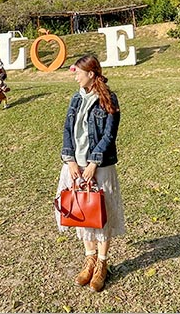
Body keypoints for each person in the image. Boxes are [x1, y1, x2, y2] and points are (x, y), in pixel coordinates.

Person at [55, 55, 125, 293]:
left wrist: (93, 164)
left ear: (91, 74)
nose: (75, 76)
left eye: (78, 72)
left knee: (100, 214)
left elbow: (109, 135)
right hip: (75, 166)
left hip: (99, 166)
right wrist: (71, 161)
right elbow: (67, 129)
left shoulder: (108, 98)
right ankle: (90, 259)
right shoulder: (76, 98)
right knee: (81, 212)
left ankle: (102, 264)